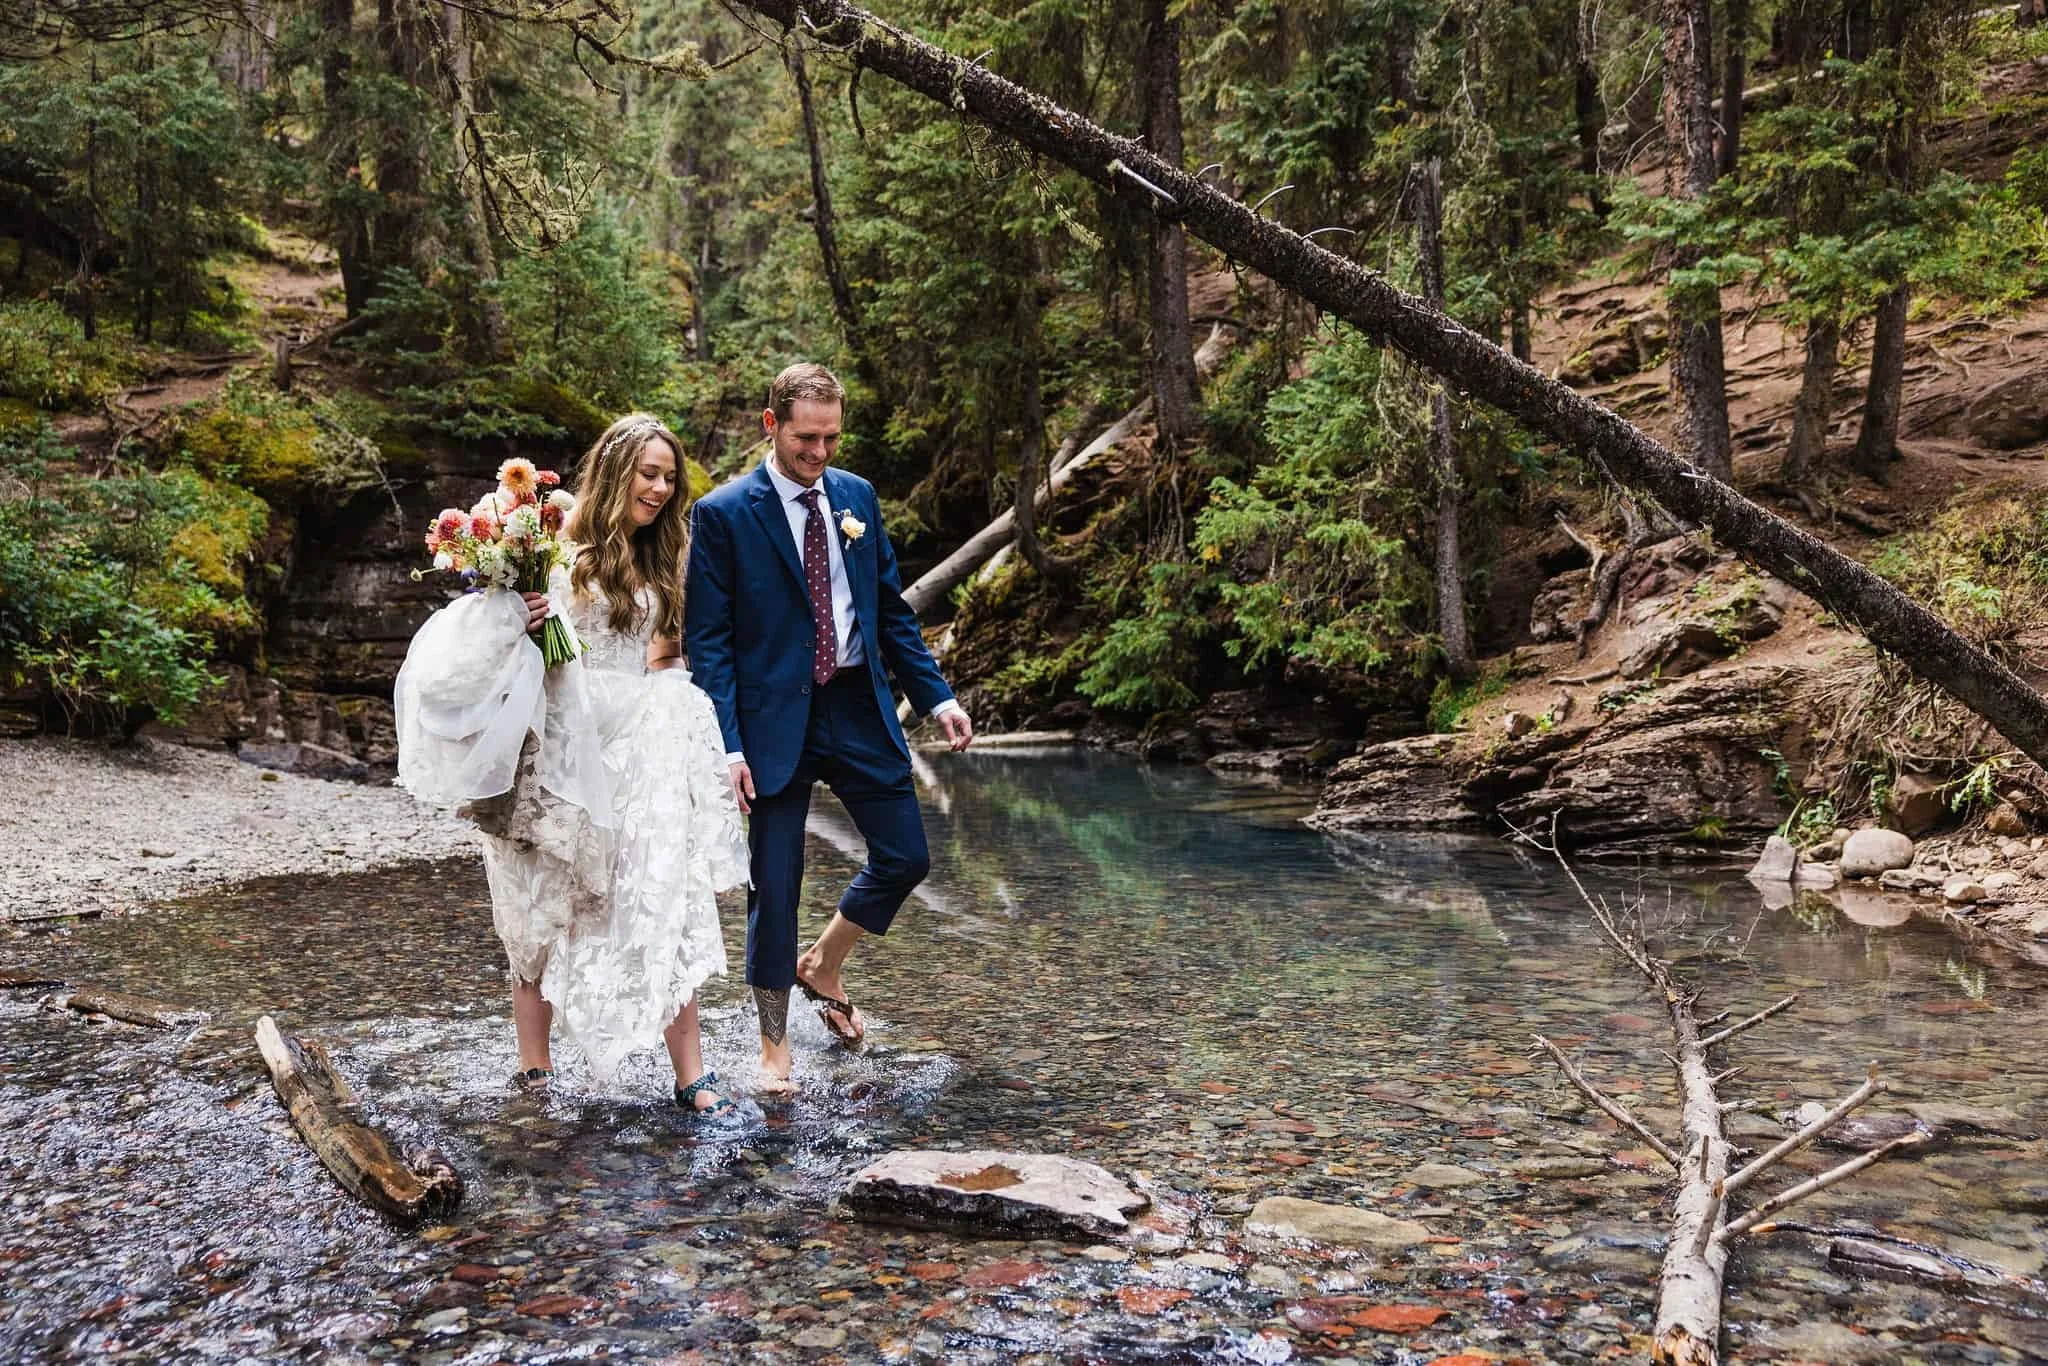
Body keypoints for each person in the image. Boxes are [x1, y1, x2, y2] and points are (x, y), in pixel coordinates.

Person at [395, 414, 748, 1116]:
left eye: (669, 478)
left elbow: (665, 658)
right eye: (649, 474)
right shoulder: (549, 546)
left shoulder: (661, 555)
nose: (660, 489)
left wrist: (694, 738)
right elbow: (506, 642)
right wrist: (521, 620)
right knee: (536, 899)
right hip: (554, 740)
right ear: (615, 472)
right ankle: (536, 1070)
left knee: (662, 895)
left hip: (635, 748)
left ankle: (690, 1074)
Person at [685, 363, 972, 1094]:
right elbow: (709, 642)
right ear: (771, 424)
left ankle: (823, 963)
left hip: (856, 704)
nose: (819, 453)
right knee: (775, 886)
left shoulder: (856, 497)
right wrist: (728, 744)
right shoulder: (723, 513)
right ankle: (773, 1049)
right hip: (770, 720)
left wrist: (936, 697)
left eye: (831, 438)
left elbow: (889, 611)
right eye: (806, 438)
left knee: (906, 857)